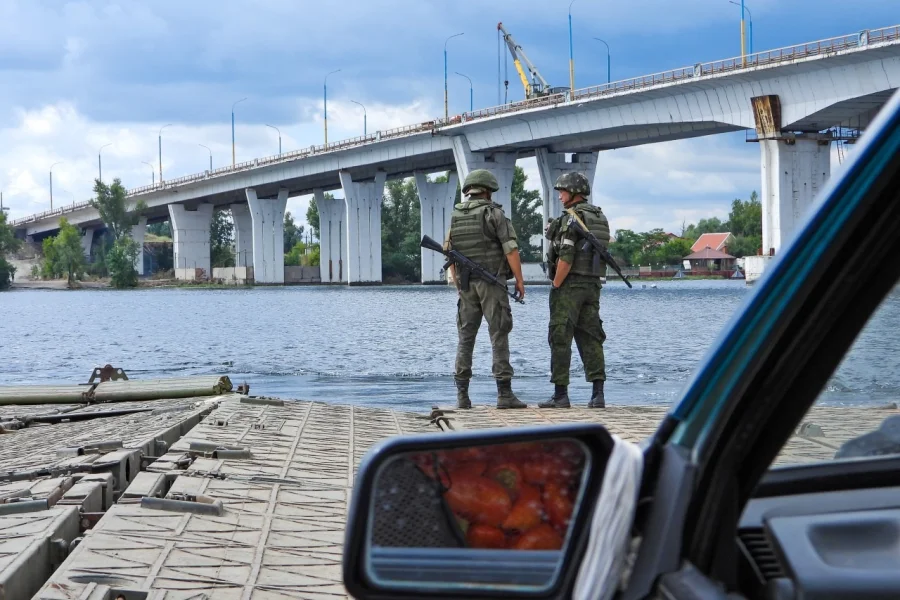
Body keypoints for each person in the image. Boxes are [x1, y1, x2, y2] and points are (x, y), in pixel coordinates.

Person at [444, 168, 527, 410]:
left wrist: (459, 284)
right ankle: (504, 395)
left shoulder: (456, 215)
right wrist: (519, 281)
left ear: (470, 190)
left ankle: (462, 397)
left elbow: (449, 254)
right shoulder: (494, 213)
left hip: (467, 284)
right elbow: (510, 249)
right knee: (499, 334)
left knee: (465, 337)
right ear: (488, 191)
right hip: (492, 284)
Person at [539, 172, 610, 409]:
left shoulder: (572, 218)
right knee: (592, 337)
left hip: (569, 286)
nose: (559, 196)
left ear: (573, 192)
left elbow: (566, 258)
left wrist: (556, 284)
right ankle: (598, 394)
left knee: (560, 337)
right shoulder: (599, 217)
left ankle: (560, 395)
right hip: (593, 284)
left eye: (562, 191)